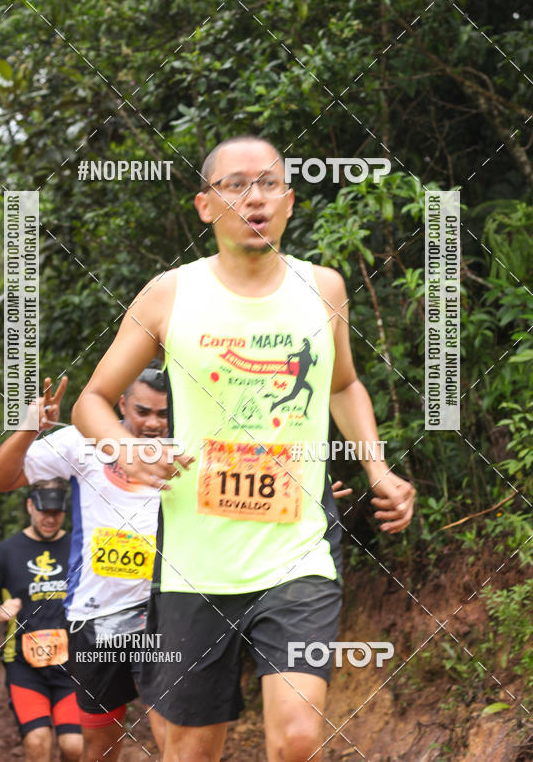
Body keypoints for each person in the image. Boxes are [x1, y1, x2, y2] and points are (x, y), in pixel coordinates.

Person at [72, 134, 417, 761]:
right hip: (194, 563)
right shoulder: (170, 294)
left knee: (299, 738)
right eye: (235, 186)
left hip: (298, 551)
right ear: (205, 206)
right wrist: (127, 448)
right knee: (191, 750)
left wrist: (378, 468)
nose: (254, 198)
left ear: (289, 201)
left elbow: (344, 386)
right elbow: (92, 400)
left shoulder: (324, 288)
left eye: (268, 184)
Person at [0, 366, 168, 761]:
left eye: (163, 414)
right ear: (121, 404)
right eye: (143, 411)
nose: (153, 423)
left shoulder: (187, 445)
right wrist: (30, 429)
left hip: (165, 608)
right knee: (99, 746)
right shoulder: (83, 439)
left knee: (173, 734)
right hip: (96, 615)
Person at [0, 479, 83, 762]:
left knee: (74, 746)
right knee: (37, 740)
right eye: (44, 511)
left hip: (71, 667)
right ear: (30, 506)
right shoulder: (6, 552)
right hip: (24, 666)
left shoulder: (79, 547)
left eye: (57, 512)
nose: (50, 519)